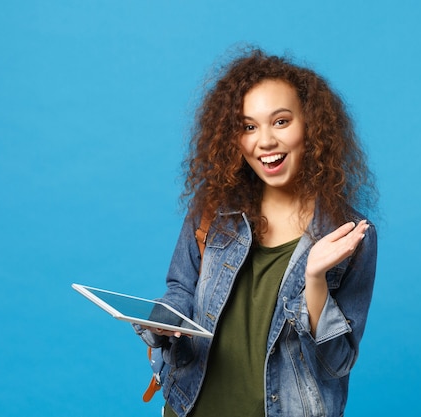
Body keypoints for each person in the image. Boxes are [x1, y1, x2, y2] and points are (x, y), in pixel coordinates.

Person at [136, 47, 378, 417]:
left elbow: (337, 363)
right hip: (189, 407)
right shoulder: (213, 210)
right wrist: (163, 322)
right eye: (249, 127)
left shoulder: (348, 234)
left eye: (281, 121)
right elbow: (181, 290)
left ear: (311, 125)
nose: (264, 141)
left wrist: (315, 279)